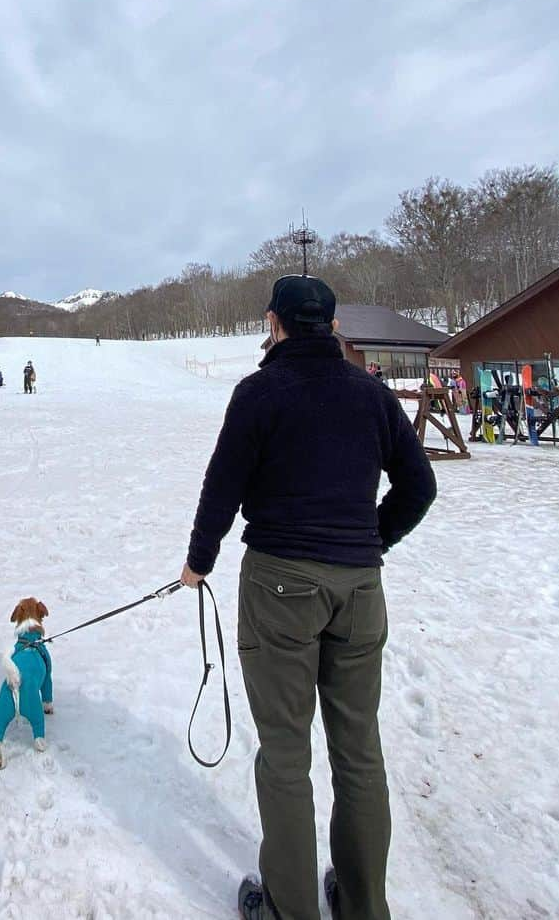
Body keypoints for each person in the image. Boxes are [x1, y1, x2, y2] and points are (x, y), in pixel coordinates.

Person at [181, 275, 436, 920]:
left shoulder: (259, 391)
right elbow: (420, 484)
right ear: (331, 325)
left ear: (275, 323)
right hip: (359, 588)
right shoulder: (371, 392)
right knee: (359, 752)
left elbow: (223, 486)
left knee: (287, 752)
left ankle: (291, 909)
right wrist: (370, 538)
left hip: (280, 586)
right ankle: (360, 904)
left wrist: (199, 561)